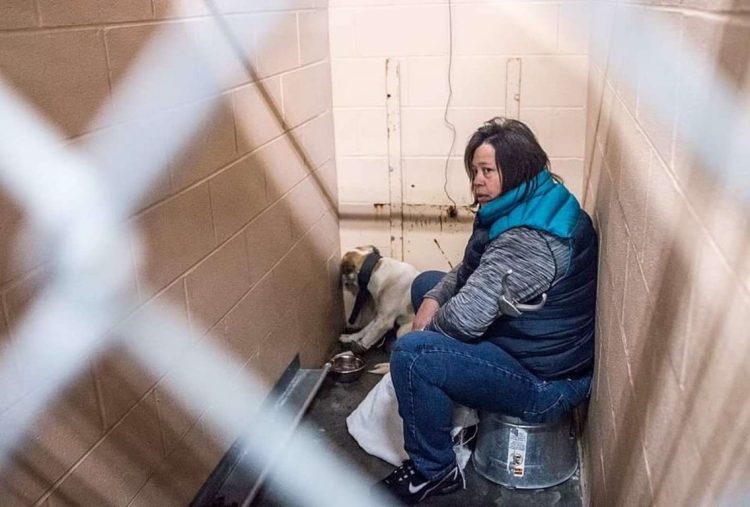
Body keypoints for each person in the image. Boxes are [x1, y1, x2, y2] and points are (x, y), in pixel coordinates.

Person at [377, 117, 598, 504]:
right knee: (426, 284)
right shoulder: (532, 201)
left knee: (412, 355)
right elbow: (471, 270)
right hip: (533, 345)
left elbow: (464, 320)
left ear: (516, 171)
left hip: (546, 383)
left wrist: (427, 335)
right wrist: (432, 300)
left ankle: (434, 469)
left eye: (487, 171)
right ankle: (443, 394)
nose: (476, 181)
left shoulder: (532, 240)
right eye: (474, 171)